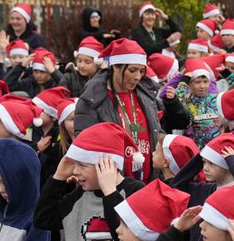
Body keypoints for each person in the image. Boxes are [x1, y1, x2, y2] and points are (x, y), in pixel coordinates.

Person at [76, 39, 188, 181]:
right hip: (114, 185)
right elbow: (84, 148)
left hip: (149, 181)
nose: (137, 77)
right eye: (132, 70)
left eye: (141, 71)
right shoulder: (92, 99)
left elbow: (155, 132)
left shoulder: (147, 95)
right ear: (115, 66)